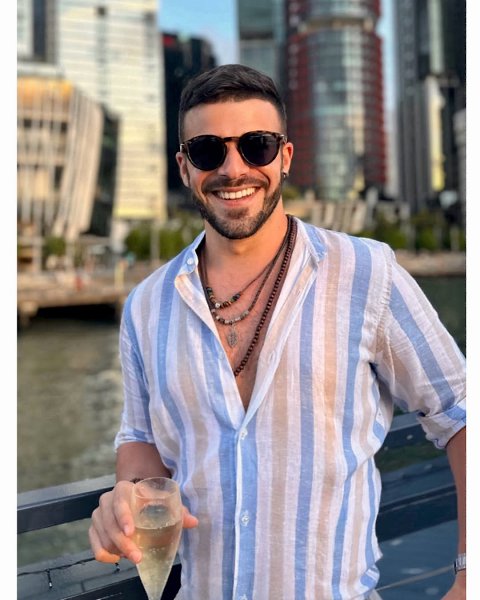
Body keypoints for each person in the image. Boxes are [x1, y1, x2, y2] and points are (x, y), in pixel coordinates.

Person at [89, 64, 466, 599]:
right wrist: (127, 496)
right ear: (184, 167)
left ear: (284, 157)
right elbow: (141, 438)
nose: (234, 169)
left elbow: (460, 410)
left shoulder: (367, 274)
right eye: (207, 151)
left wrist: (468, 574)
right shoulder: (146, 306)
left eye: (257, 146)